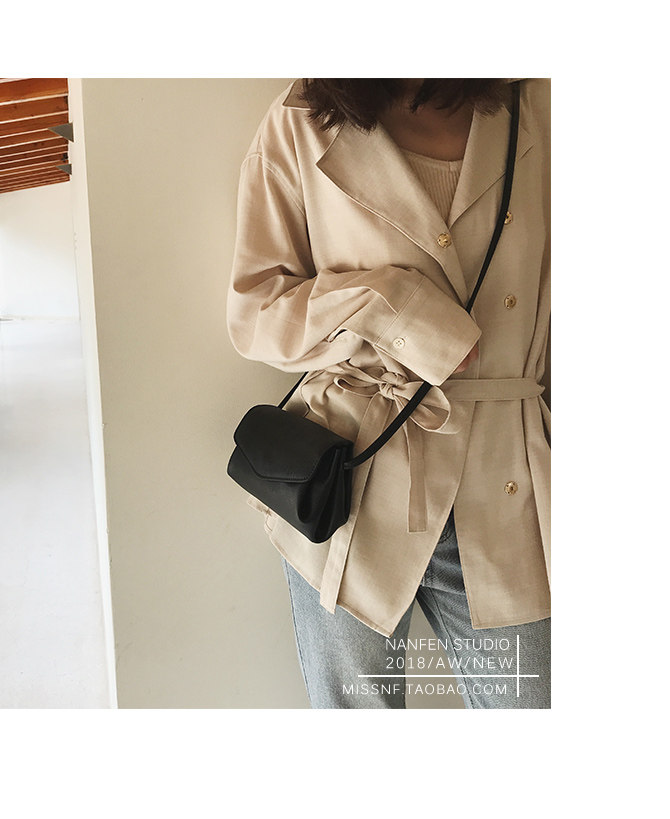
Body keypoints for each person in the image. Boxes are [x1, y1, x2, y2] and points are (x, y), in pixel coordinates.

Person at [226, 79, 550, 709]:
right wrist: (390, 305)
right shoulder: (301, 121)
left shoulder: (534, 106)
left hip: (510, 481)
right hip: (351, 484)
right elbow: (255, 315)